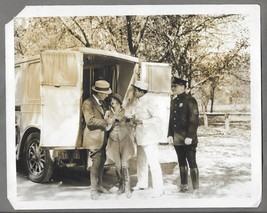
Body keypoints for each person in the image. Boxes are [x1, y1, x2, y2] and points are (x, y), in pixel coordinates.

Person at [129, 80, 164, 198]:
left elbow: (158, 119)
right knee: (141, 162)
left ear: (140, 91)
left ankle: (159, 189)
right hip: (140, 137)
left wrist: (143, 121)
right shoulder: (137, 101)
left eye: (135, 90)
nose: (133, 92)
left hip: (150, 137)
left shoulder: (150, 101)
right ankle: (142, 183)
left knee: (153, 163)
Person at [82, 80, 114, 200]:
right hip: (94, 138)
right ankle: (93, 190)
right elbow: (89, 121)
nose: (107, 95)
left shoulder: (103, 103)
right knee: (95, 164)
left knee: (101, 162)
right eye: (105, 93)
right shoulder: (88, 103)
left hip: (103, 138)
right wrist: (106, 122)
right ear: (99, 93)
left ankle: (99, 185)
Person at [167, 77, 200, 196]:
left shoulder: (190, 100)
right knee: (181, 162)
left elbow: (194, 120)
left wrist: (190, 136)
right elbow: (171, 120)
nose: (173, 88)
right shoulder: (174, 101)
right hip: (178, 139)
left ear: (182, 87)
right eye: (173, 86)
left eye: (175, 86)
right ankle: (184, 185)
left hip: (188, 139)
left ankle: (196, 189)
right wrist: (170, 134)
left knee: (192, 162)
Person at [104, 93, 135, 198]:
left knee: (124, 164)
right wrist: (110, 121)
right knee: (117, 165)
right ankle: (121, 185)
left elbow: (132, 124)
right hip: (113, 140)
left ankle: (127, 187)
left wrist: (129, 120)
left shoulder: (126, 111)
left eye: (114, 100)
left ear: (119, 101)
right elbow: (106, 128)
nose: (112, 102)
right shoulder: (108, 113)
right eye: (111, 100)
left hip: (124, 139)